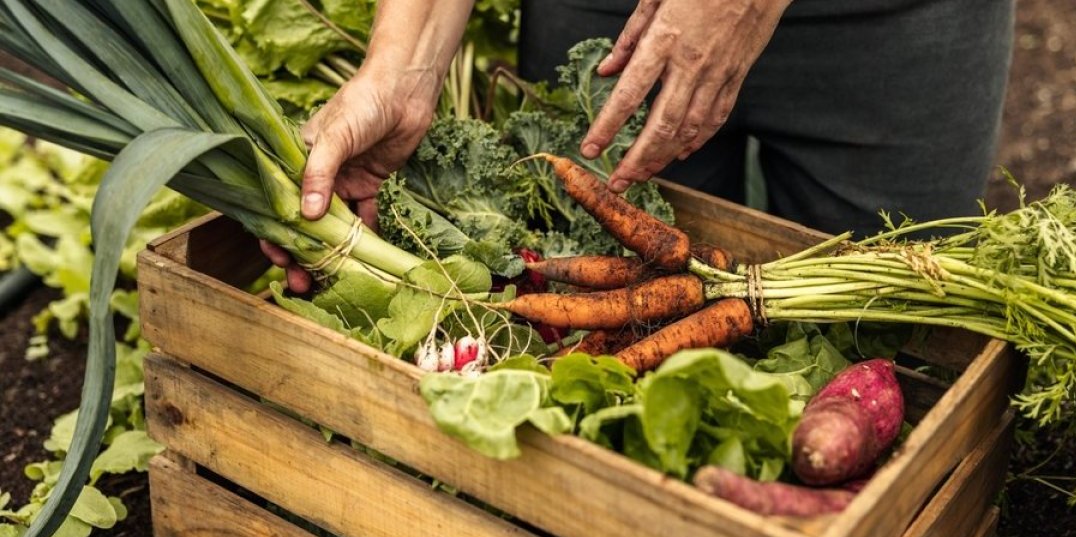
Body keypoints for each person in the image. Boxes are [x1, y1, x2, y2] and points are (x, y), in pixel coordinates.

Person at [262, 0, 1015, 292]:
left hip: (894, 22)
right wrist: (406, 67)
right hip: (612, 23)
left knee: (900, 322)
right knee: (604, 292)